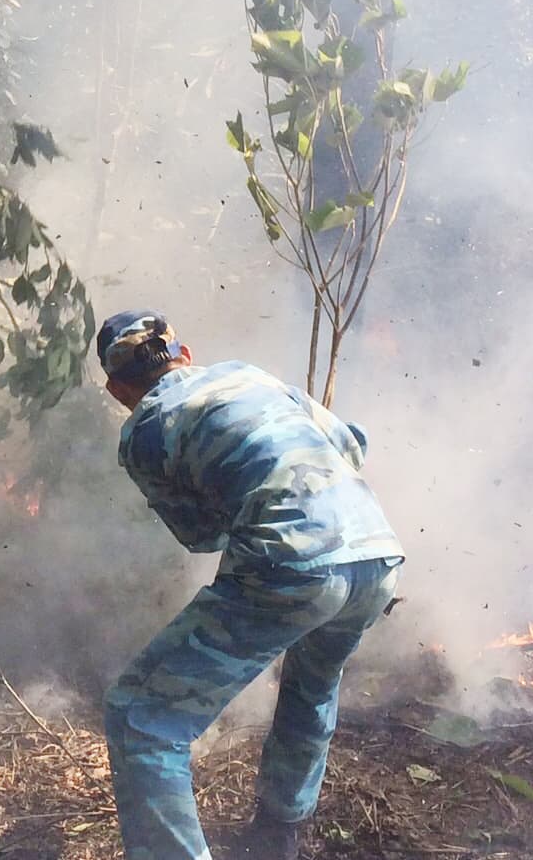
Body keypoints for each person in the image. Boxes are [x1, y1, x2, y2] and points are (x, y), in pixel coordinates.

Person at [95, 311, 405, 860]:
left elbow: (200, 536)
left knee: (140, 718)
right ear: (185, 355)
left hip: (291, 563)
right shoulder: (247, 374)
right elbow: (352, 444)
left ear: (118, 390)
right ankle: (277, 835)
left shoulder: (145, 429)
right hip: (375, 552)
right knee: (311, 684)